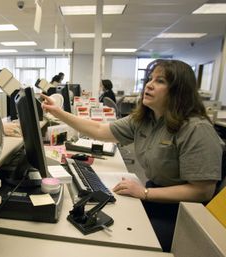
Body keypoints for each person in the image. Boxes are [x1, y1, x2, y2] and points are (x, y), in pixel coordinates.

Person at [41, 59, 222, 252]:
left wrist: (145, 193)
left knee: (126, 242)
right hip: (156, 195)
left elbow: (202, 191)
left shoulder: (196, 129)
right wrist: (58, 113)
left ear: (179, 90)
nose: (149, 85)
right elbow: (99, 129)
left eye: (160, 81)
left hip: (182, 213)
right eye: (149, 79)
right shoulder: (146, 119)